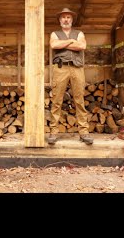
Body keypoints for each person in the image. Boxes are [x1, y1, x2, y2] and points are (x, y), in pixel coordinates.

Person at [48, 8, 93, 145]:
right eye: (63, 17)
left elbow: (82, 46)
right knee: (57, 100)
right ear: (60, 20)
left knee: (79, 100)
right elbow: (54, 45)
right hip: (60, 68)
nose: (66, 19)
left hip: (77, 68)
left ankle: (84, 132)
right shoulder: (55, 34)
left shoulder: (79, 33)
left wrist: (65, 44)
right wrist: (71, 42)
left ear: (72, 20)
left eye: (68, 17)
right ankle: (54, 132)